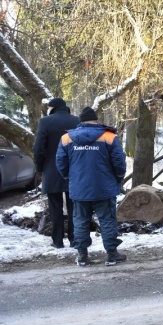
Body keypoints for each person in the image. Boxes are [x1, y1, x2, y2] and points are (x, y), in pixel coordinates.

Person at [56, 107, 127, 266]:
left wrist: (70, 177)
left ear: (80, 121)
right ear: (95, 120)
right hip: (104, 188)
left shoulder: (67, 138)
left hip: (80, 189)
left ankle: (82, 256)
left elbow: (61, 163)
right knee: (107, 221)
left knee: (80, 222)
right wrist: (118, 178)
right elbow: (119, 162)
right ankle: (111, 254)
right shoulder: (109, 136)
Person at [33, 97, 81, 248]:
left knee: (55, 206)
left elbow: (38, 148)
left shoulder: (45, 122)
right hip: (74, 170)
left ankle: (57, 240)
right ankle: (74, 239)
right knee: (74, 206)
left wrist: (40, 167)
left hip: (52, 169)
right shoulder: (77, 121)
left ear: (51, 108)